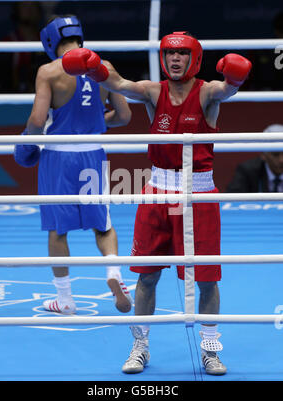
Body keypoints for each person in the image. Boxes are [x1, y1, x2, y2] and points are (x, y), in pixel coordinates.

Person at [61, 31, 252, 375]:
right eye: (169, 54)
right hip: (158, 191)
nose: (174, 60)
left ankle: (209, 348)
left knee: (206, 278)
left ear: (193, 59)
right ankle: (140, 346)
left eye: (181, 55)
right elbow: (119, 84)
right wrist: (93, 70)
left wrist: (235, 75)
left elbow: (229, 90)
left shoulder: (207, 91)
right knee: (147, 276)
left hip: (198, 193)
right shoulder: (153, 91)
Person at [14, 15, 133, 315]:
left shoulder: (49, 71)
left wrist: (27, 141)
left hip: (59, 157)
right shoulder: (104, 68)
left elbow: (37, 121)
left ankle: (65, 300)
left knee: (58, 230)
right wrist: (94, 123)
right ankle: (113, 273)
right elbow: (123, 116)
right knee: (103, 225)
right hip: (93, 152)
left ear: (50, 40)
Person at [227, 124, 283, 193]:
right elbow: (232, 199)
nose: (281, 160)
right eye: (275, 154)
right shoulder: (247, 171)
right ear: (263, 155)